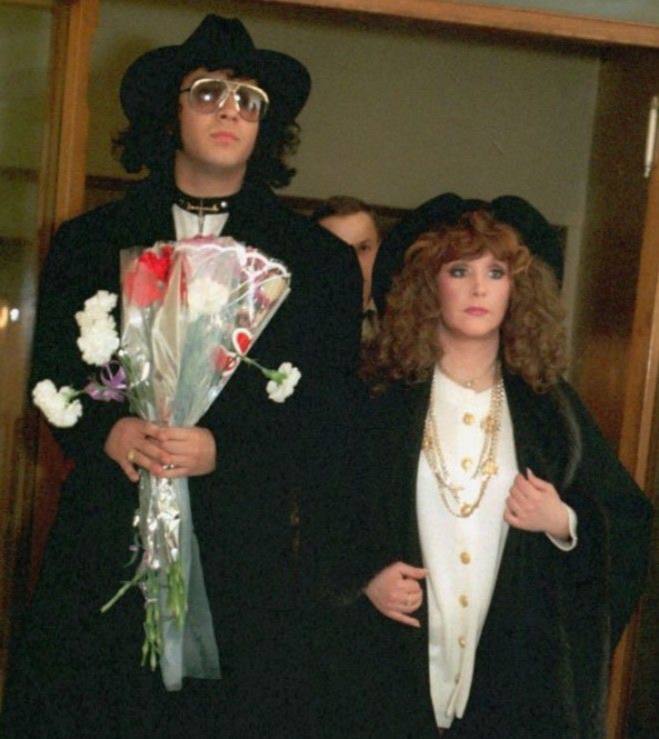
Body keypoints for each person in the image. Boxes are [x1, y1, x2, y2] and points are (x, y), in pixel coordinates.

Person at [1, 14, 361, 738]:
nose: (230, 110)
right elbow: (53, 375)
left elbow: (330, 413)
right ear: (170, 112)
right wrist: (109, 432)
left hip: (243, 556)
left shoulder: (316, 262)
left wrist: (228, 448)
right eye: (208, 92)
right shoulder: (87, 242)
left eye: (248, 99)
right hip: (107, 542)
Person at [332, 202, 652, 738]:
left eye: (496, 272)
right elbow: (322, 510)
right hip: (390, 674)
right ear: (430, 287)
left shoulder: (551, 410)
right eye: (459, 270)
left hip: (511, 687)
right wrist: (363, 580)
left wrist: (563, 522)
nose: (479, 288)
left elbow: (627, 521)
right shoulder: (378, 400)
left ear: (516, 290)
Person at [312, 196, 381, 342]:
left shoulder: (405, 317)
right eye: (338, 250)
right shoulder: (295, 321)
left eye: (363, 248)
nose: (353, 261)